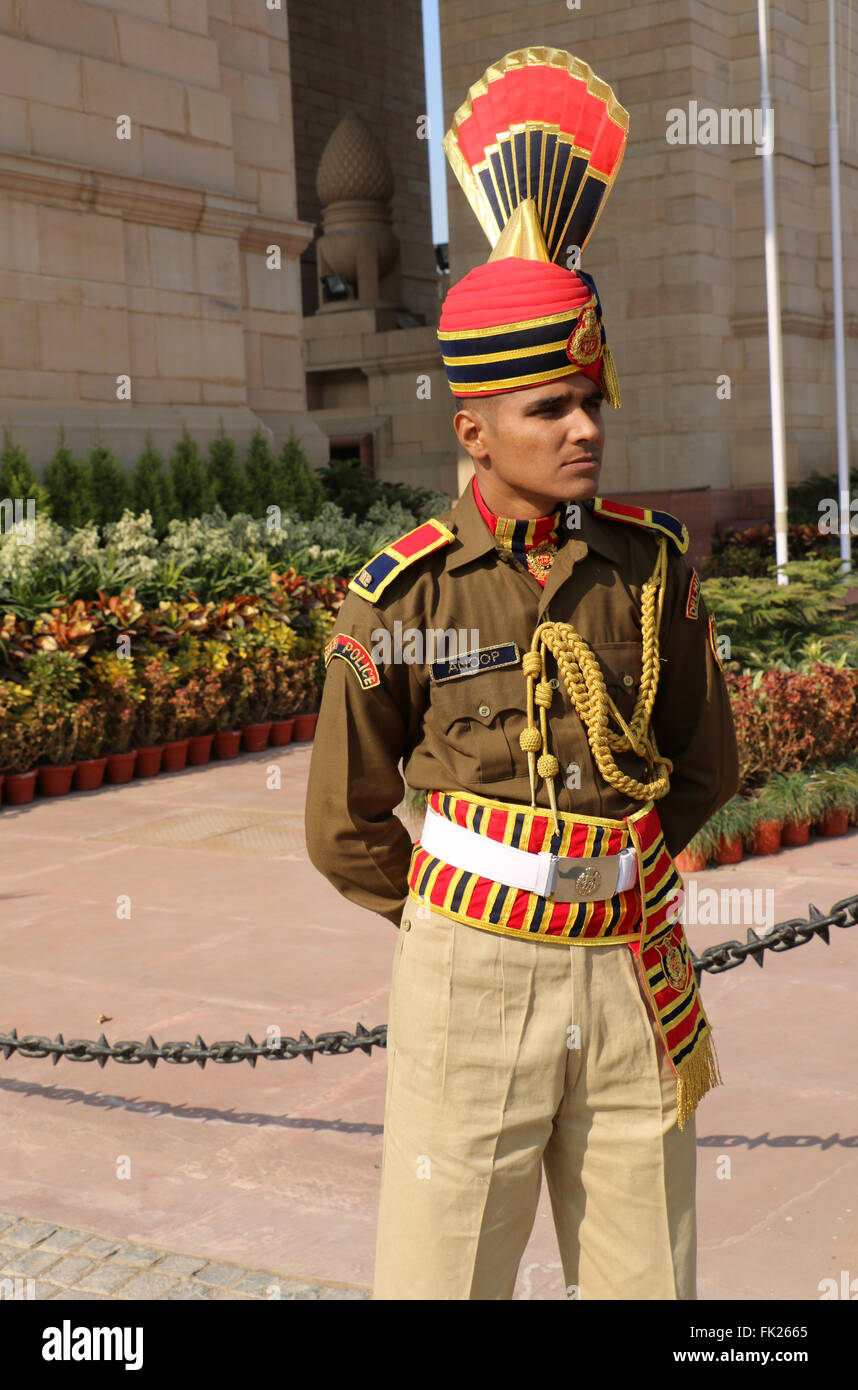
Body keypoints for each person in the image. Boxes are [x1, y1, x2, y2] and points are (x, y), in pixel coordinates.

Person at [305, 46, 740, 1301]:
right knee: (443, 1281)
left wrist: (600, 877)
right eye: (550, 407)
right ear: (473, 430)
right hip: (468, 976)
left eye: (589, 399)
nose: (585, 428)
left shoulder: (649, 569)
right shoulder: (407, 593)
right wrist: (458, 919)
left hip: (624, 963)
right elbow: (344, 821)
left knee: (647, 1281)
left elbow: (701, 766)